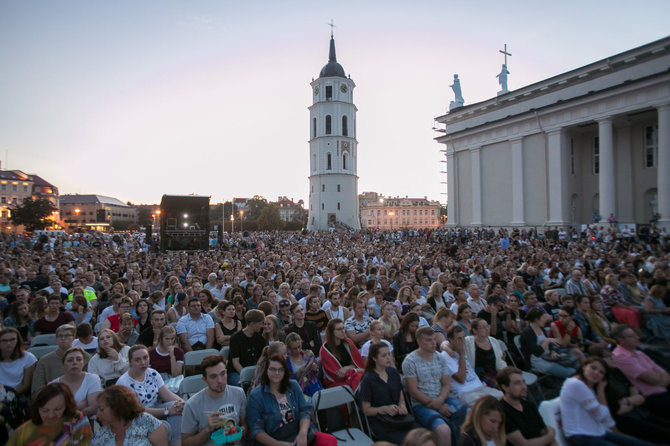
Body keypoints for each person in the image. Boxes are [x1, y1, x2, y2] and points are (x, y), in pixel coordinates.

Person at [559, 357, 653, 446]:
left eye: (601, 372)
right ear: (584, 366)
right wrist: (601, 391)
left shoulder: (588, 386)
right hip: (581, 435)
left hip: (595, 432)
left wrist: (600, 390)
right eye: (593, 368)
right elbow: (601, 416)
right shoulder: (576, 384)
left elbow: (605, 417)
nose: (596, 373)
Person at [247, 355, 337, 446]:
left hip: (298, 431)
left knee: (330, 441)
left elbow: (304, 411)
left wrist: (302, 433)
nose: (277, 373)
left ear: (285, 371)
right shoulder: (256, 395)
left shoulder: (293, 386)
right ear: (266, 371)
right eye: (272, 369)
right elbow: (256, 430)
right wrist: (279, 444)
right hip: (274, 439)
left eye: (281, 369)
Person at [403, 326, 468, 446]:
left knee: (469, 414)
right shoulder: (410, 361)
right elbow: (413, 391)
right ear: (419, 341)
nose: (434, 343)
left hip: (442, 398)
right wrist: (437, 406)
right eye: (429, 340)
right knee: (443, 430)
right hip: (422, 404)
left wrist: (440, 400)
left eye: (434, 339)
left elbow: (446, 384)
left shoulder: (439, 357)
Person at [116, 344, 185, 444]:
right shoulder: (124, 383)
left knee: (177, 408)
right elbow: (137, 411)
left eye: (145, 358)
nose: (143, 362)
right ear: (130, 362)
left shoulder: (152, 373)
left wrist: (181, 403)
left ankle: (177, 443)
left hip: (155, 409)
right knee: (164, 424)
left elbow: (167, 394)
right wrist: (166, 411)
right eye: (137, 360)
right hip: (135, 418)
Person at [181, 354, 248, 446]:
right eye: (213, 376)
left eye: (223, 374)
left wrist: (240, 433)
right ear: (205, 379)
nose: (220, 380)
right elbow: (185, 442)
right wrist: (207, 429)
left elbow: (244, 426)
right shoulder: (192, 404)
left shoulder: (239, 393)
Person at [358, 342, 413, 445]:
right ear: (374, 358)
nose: (388, 358)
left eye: (389, 354)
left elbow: (400, 393)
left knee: (421, 437)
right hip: (382, 421)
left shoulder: (393, 372)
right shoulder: (368, 380)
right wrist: (384, 409)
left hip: (399, 418)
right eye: (384, 355)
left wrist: (402, 405)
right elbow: (366, 410)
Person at [7, 383, 92, 446]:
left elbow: (86, 442)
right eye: (45, 410)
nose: (51, 415)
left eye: (58, 409)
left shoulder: (76, 419)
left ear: (66, 406)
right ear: (37, 408)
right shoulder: (23, 432)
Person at [611, 325, 670, 413]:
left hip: (663, 389)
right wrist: (660, 379)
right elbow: (652, 379)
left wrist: (661, 381)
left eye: (636, 335)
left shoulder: (639, 353)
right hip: (651, 397)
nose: (637, 338)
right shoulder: (620, 357)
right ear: (621, 340)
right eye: (632, 336)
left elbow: (664, 373)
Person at [440, 326, 503, 407]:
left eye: (463, 338)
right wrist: (461, 355)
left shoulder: (464, 347)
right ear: (451, 340)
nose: (463, 341)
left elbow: (444, 344)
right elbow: (461, 379)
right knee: (488, 403)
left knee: (502, 396)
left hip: (480, 387)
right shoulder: (446, 356)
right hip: (466, 392)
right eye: (459, 338)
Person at [497, 366, 557, 446]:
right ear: (505, 387)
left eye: (523, 382)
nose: (524, 387)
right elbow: (524, 444)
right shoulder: (502, 412)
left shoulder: (529, 405)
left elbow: (544, 431)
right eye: (517, 383)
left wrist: (550, 437)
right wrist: (550, 435)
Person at [93, 384, 168, 446]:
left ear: (117, 408)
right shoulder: (100, 435)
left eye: (102, 409)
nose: (97, 415)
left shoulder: (147, 422)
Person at [519, 308, 576, 378]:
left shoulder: (541, 328)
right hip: (538, 361)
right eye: (543, 318)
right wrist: (547, 341)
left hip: (548, 357)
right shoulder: (527, 332)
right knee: (573, 373)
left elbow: (550, 346)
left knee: (576, 366)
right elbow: (537, 353)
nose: (545, 320)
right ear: (536, 319)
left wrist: (552, 351)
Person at [0, 327, 36, 430]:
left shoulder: (28, 358)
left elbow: (26, 385)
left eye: (12, 340)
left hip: (19, 395)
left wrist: (9, 394)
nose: (9, 343)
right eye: (4, 340)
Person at [320, 318, 365, 390]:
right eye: (339, 329)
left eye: (343, 328)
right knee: (359, 378)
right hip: (335, 382)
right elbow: (337, 374)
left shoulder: (348, 342)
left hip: (352, 375)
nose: (343, 331)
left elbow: (358, 364)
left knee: (366, 377)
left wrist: (347, 368)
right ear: (331, 332)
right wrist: (354, 370)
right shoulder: (325, 350)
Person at [227, 309, 267, 385]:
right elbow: (236, 363)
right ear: (252, 323)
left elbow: (261, 360)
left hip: (254, 370)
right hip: (237, 372)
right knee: (242, 385)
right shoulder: (236, 338)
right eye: (260, 323)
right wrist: (246, 375)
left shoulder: (260, 339)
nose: (262, 326)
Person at [463, 319, 507, 387]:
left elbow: (500, 361)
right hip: (479, 376)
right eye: (482, 327)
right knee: (499, 386)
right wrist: (445, 347)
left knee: (511, 381)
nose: (487, 329)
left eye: (487, 326)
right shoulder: (468, 342)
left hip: (495, 372)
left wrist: (503, 372)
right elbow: (447, 343)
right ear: (474, 330)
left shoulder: (493, 341)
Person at [285, 332, 323, 397]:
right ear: (289, 348)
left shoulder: (308, 354)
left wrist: (315, 369)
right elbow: (286, 382)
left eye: (299, 347)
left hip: (314, 387)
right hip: (299, 391)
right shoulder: (286, 360)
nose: (298, 350)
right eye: (294, 348)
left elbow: (319, 375)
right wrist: (298, 374)